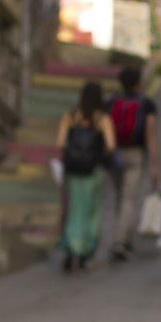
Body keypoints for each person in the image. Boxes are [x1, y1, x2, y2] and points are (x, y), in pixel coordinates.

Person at [55, 81, 116, 271]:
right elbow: (111, 145)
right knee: (92, 211)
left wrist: (74, 155)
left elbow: (60, 142)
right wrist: (99, 157)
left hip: (74, 170)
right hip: (94, 170)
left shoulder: (70, 115)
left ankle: (71, 247)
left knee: (75, 209)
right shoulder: (102, 119)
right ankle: (85, 251)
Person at [107, 65, 159, 261]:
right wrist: (154, 165)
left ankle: (125, 239)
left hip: (115, 154)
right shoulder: (146, 104)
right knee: (129, 199)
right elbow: (150, 136)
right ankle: (121, 241)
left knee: (121, 197)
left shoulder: (112, 101)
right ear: (139, 83)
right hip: (136, 154)